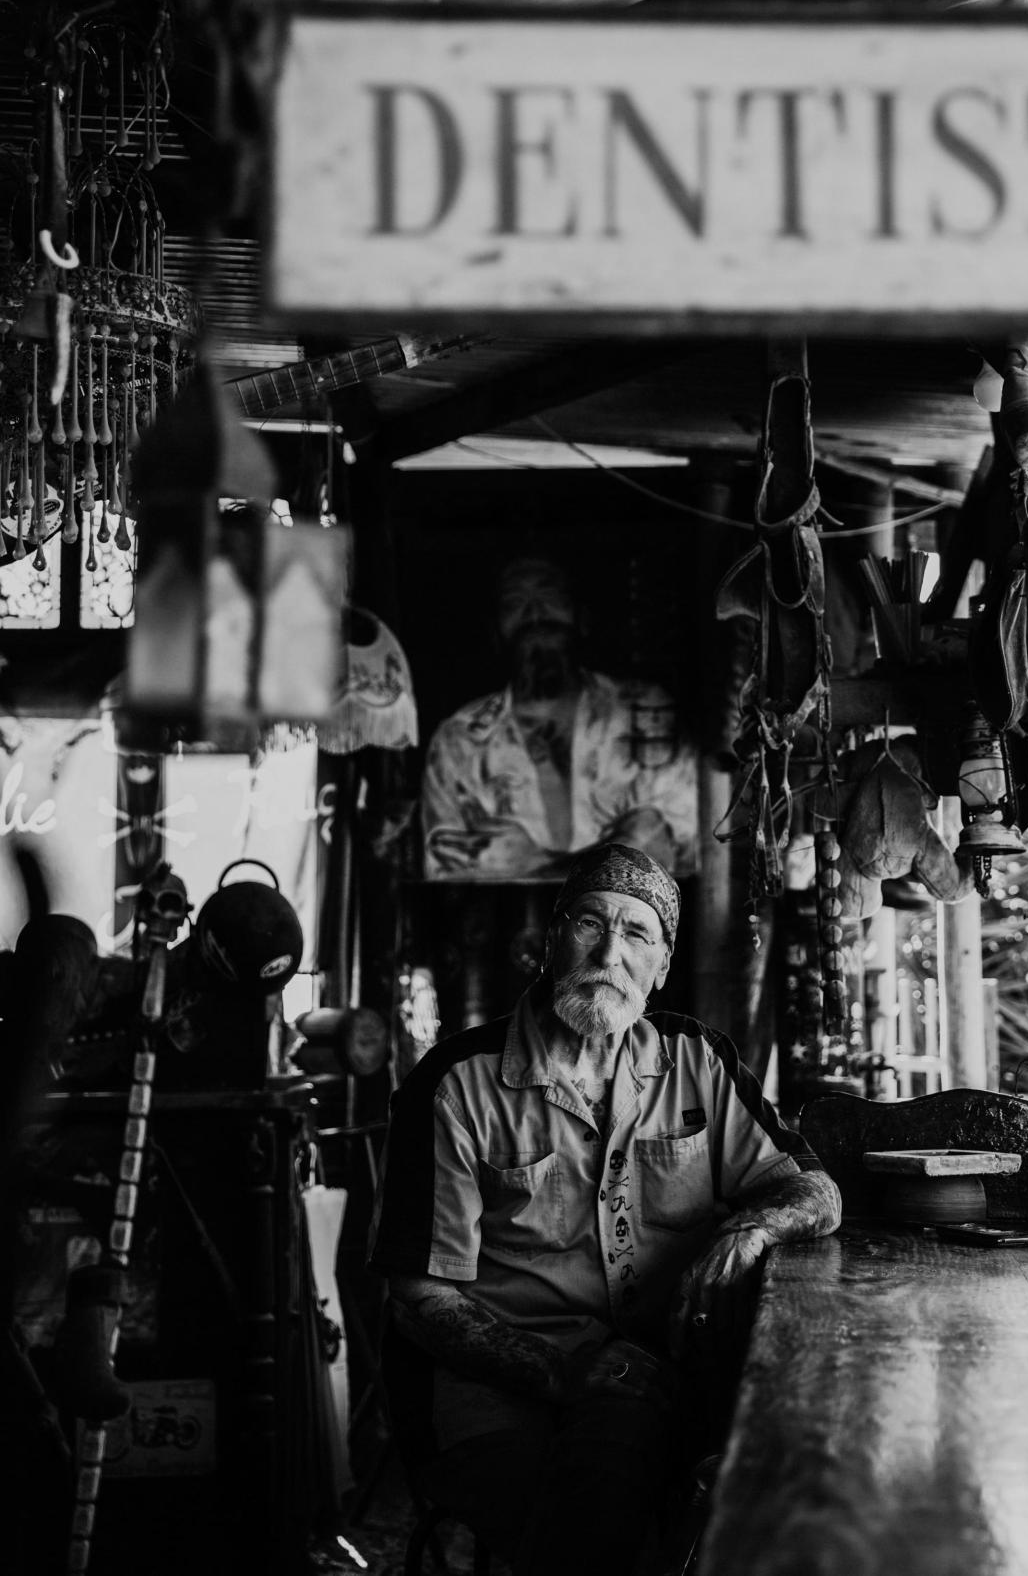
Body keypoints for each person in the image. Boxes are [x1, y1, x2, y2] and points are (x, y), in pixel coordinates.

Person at [368, 844, 841, 1576]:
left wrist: (751, 1230)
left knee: (785, 1485)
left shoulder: (697, 1060)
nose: (609, 953)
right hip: (504, 1391)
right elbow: (418, 1299)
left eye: (637, 933)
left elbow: (815, 1190)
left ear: (662, 965)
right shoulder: (455, 1085)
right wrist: (563, 1373)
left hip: (670, 1371)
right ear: (551, 940)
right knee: (613, 1516)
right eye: (590, 923)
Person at [422, 556, 698, 880]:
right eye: (514, 602)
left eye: (550, 595)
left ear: (583, 617)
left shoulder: (644, 712)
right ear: (495, 632)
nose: (535, 613)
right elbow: (446, 872)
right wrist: (621, 846)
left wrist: (535, 866)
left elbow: (671, 845)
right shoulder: (459, 740)